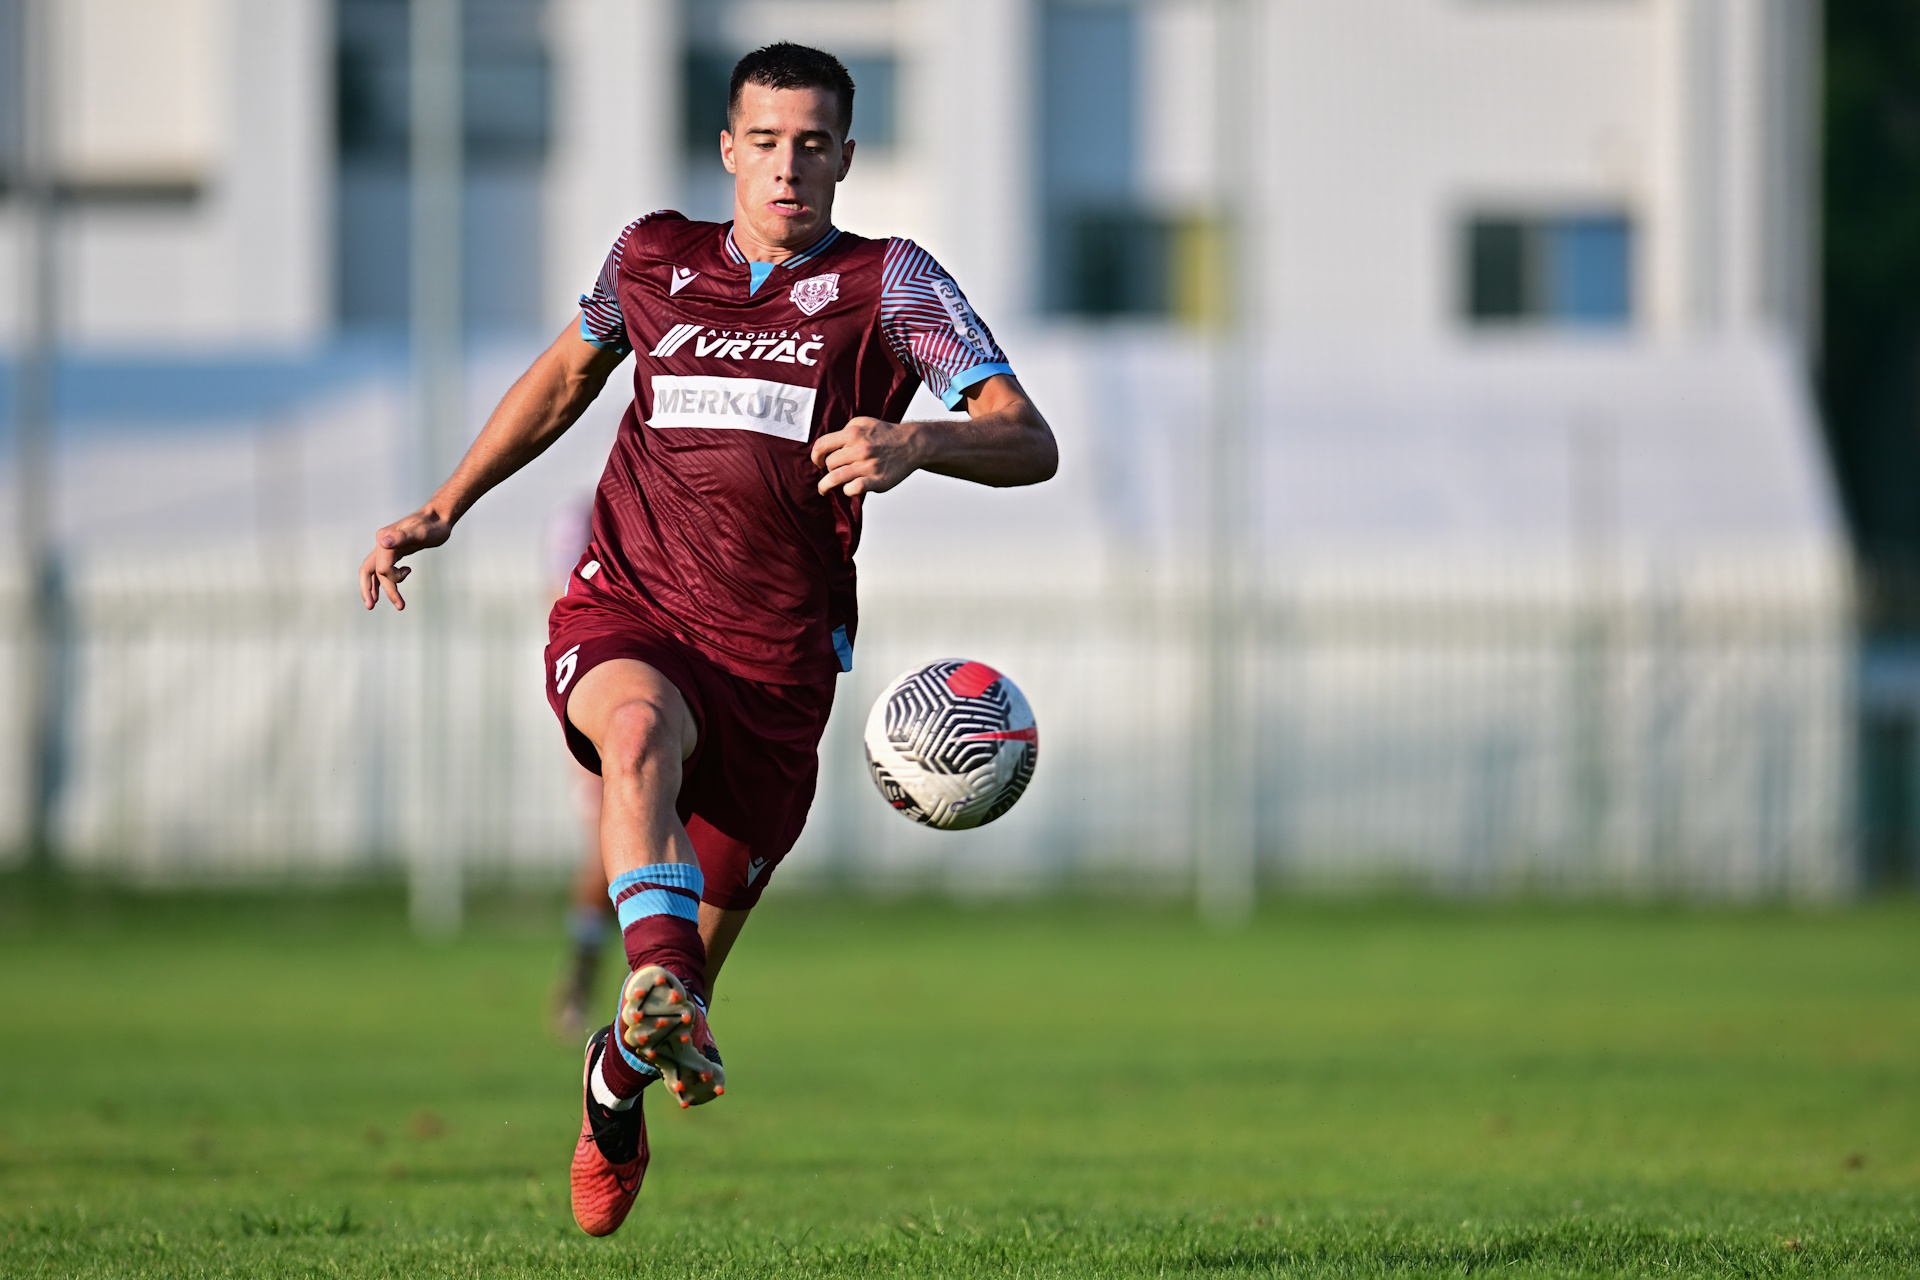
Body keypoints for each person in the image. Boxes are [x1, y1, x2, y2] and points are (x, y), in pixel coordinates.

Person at [358, 42, 1057, 1238]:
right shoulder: (652, 258)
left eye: (814, 145)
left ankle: (615, 1074)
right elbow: (565, 377)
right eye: (766, 142)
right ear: (728, 147)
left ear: (845, 155)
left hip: (776, 672)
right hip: (629, 607)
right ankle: (654, 986)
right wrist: (444, 505)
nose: (789, 167)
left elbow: (1027, 436)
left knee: (682, 987)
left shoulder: (892, 284)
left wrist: (917, 442)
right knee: (634, 734)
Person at [543, 493, 613, 1040]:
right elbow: (559, 594)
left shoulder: (684, 495)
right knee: (608, 850)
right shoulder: (585, 515)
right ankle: (582, 980)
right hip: (608, 688)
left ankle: (671, 987)